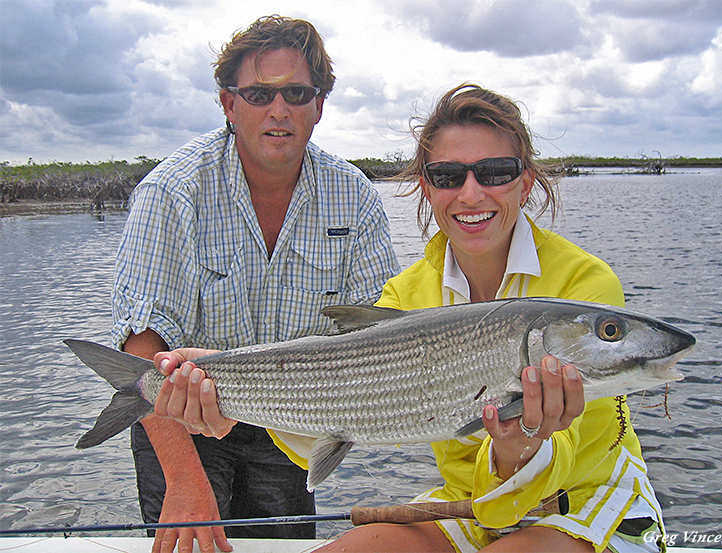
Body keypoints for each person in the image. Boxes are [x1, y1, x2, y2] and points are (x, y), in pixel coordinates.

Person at [155, 84, 666, 552]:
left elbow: (579, 447)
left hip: (583, 502)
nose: (470, 194)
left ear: (525, 181)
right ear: (426, 187)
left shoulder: (586, 284)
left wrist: (521, 446)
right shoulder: (406, 294)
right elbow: (337, 411)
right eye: (448, 176)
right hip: (468, 501)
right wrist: (227, 386)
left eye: (494, 173)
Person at [111, 15, 399, 553]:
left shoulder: (354, 195)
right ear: (228, 104)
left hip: (292, 421)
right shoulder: (172, 191)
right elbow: (143, 344)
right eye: (259, 93)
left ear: (318, 105)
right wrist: (185, 482)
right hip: (182, 419)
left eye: (296, 92)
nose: (279, 109)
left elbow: (379, 336)